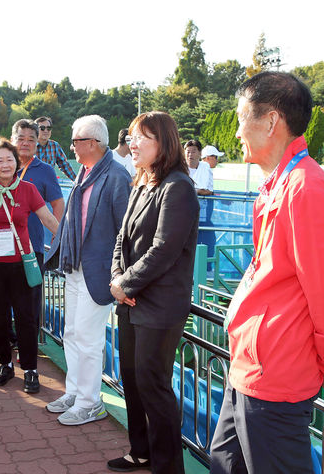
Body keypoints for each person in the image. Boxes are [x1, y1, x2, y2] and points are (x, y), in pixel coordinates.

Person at [209, 72, 324, 474]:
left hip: (275, 376)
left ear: (270, 122)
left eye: (241, 116)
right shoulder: (282, 183)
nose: (237, 128)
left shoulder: (305, 188)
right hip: (254, 367)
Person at [109, 112, 199, 474]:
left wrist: (125, 284)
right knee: (131, 379)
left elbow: (164, 249)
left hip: (159, 307)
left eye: (141, 138)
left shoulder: (177, 187)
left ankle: (167, 465)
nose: (133, 145)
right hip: (132, 302)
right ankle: (140, 451)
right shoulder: (143, 182)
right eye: (131, 138)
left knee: (153, 385)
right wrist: (119, 279)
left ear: (163, 142)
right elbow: (122, 241)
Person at [45, 115, 131, 425]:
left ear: (92, 143)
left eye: (75, 142)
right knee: (71, 332)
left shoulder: (117, 177)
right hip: (75, 266)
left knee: (88, 336)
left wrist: (120, 274)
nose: (72, 147)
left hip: (99, 272)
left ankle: (91, 402)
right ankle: (76, 391)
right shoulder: (85, 173)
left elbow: (126, 231)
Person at [0, 138, 59, 394]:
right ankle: (5, 364)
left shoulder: (28, 189)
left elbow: (48, 219)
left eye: (10, 159)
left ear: (17, 163)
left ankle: (30, 369)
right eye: (0, 160)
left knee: (26, 318)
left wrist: (67, 242)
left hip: (22, 265)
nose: (5, 164)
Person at [12, 119, 64, 333]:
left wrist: (56, 235)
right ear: (12, 140)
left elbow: (58, 203)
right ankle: (6, 341)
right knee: (3, 298)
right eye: (21, 138)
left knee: (30, 299)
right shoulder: (2, 165)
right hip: (1, 246)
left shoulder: (44, 170)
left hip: (32, 246)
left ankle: (29, 344)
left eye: (31, 140)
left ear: (37, 143)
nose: (25, 143)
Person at [35, 116, 76, 181]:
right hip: (32, 184)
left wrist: (77, 182)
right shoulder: (29, 146)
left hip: (48, 184)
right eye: (42, 128)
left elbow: (65, 166)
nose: (46, 131)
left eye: (49, 128)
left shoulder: (55, 146)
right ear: (35, 130)